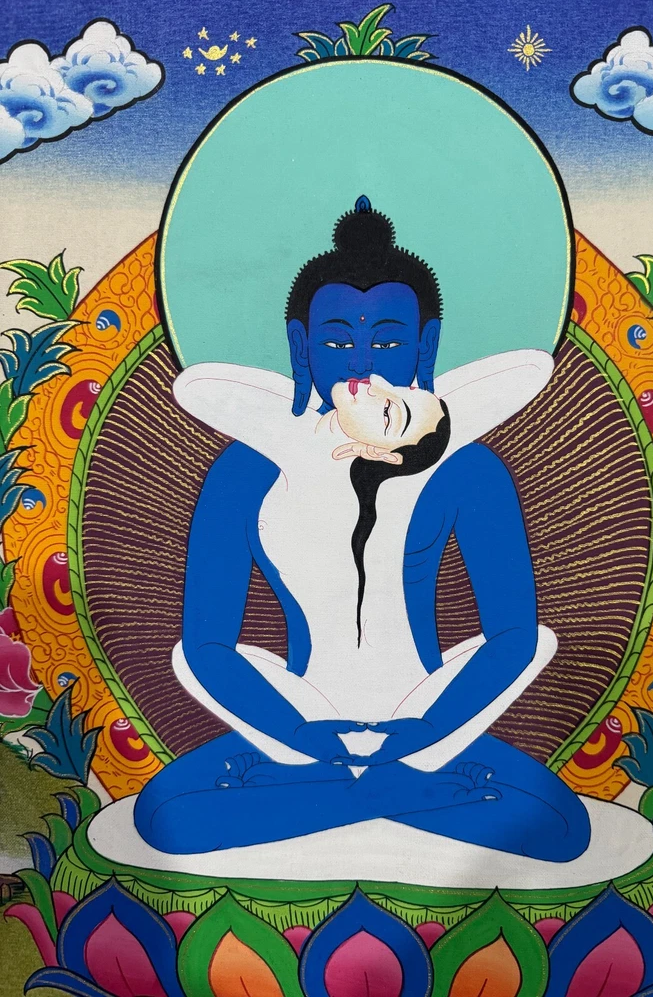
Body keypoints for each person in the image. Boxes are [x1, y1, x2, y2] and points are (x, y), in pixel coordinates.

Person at [134, 197, 591, 860]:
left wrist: (427, 730)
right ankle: (389, 795)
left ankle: (350, 796)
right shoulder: (245, 470)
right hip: (299, 721)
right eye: (338, 341)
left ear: (426, 345)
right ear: (300, 345)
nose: (361, 365)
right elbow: (207, 645)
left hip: (426, 718)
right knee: (162, 813)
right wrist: (298, 734)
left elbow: (514, 636)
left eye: (388, 341)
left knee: (561, 827)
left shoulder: (468, 468)